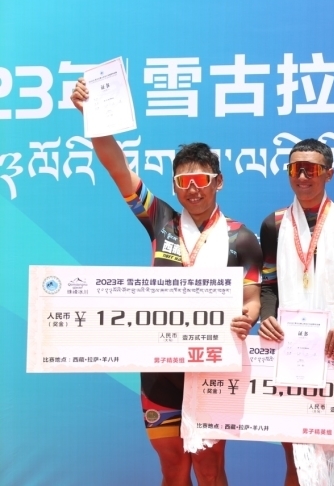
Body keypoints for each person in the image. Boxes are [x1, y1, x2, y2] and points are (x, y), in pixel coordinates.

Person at [71, 79, 263, 486]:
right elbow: (117, 167)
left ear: (218, 182)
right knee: (173, 469)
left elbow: (251, 295)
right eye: (183, 182)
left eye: (201, 181)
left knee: (210, 470)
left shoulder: (241, 238)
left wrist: (248, 316)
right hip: (160, 370)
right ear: (174, 185)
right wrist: (92, 116)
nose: (192, 190)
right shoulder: (160, 220)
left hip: (212, 367)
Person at [257, 138, 334, 486]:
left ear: (328, 173)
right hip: (291, 352)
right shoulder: (273, 224)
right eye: (295, 169)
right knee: (297, 463)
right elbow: (269, 286)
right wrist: (267, 317)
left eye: (311, 169)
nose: (302, 177)